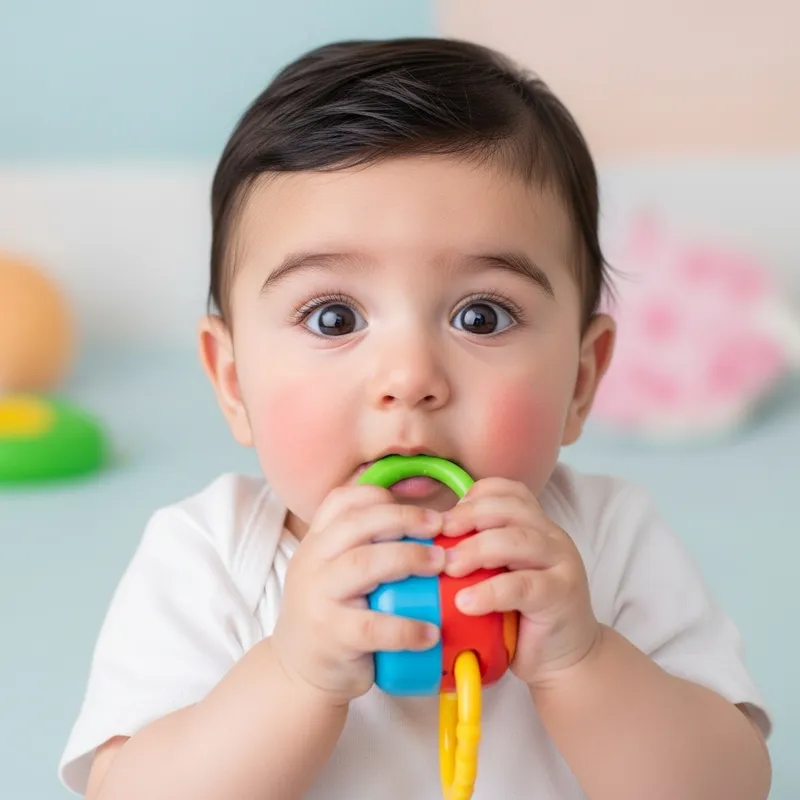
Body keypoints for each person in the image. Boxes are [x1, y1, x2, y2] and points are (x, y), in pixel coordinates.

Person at [59, 38, 772, 799]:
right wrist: (293, 673)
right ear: (233, 381)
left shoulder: (608, 542)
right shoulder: (209, 559)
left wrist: (583, 660)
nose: (411, 379)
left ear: (581, 379)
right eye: (334, 318)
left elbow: (729, 785)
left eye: (483, 315)